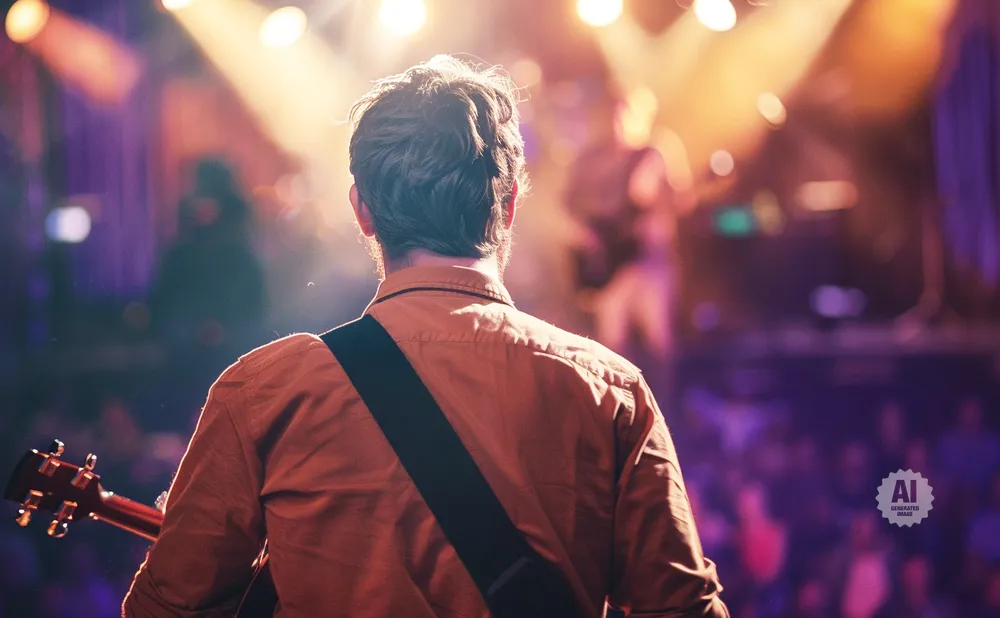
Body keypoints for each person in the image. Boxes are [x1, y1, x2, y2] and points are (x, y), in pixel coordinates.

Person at [122, 56, 728, 618]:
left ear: (362, 211)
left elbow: (165, 610)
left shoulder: (265, 392)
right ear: (510, 203)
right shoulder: (610, 392)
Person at [564, 95, 677, 360]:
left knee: (659, 341)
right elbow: (567, 204)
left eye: (626, 114)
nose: (618, 121)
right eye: (614, 113)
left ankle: (664, 401)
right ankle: (619, 401)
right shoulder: (590, 159)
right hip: (610, 264)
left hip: (648, 260)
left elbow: (675, 202)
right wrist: (584, 235)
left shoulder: (652, 155)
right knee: (612, 343)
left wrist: (659, 218)